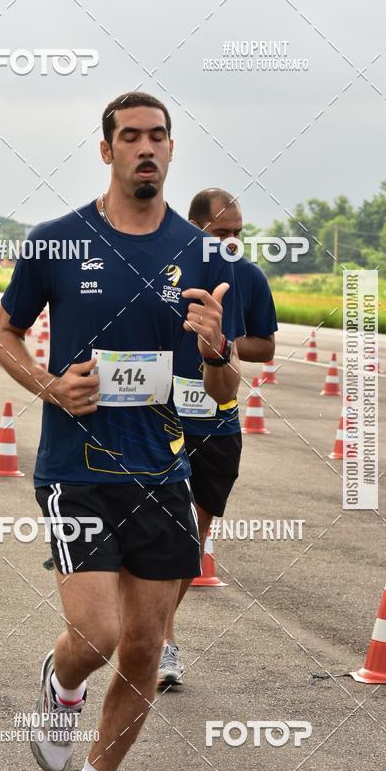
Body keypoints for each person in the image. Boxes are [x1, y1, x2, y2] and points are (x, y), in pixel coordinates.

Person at [0, 92, 244, 771]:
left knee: (144, 642)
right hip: (76, 465)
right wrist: (47, 385)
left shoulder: (203, 255)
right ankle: (63, 679)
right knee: (97, 633)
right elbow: (4, 332)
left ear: (172, 150)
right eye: (129, 136)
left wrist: (216, 351)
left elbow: (224, 391)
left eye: (157, 136)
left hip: (165, 472)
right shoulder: (57, 242)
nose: (145, 148)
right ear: (106, 150)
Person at [158, 189, 278, 687]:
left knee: (191, 539)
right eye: (220, 232)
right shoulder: (165, 273)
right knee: (156, 532)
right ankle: (162, 641)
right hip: (158, 419)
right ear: (194, 228)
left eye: (237, 234)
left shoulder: (248, 277)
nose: (230, 242)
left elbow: (265, 345)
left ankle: (158, 630)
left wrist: (224, 343)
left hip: (218, 419)